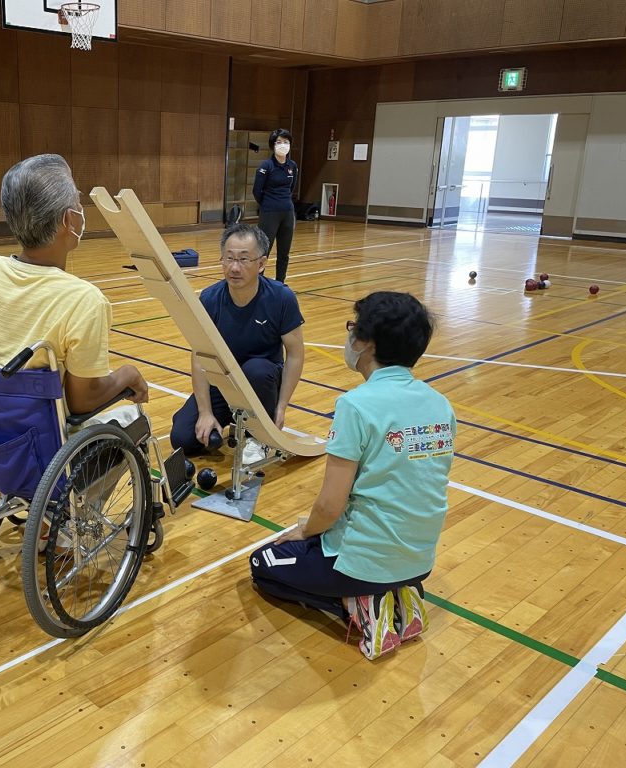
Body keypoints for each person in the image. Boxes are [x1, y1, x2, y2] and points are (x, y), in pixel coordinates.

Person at [248, 292, 456, 661]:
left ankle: (358, 603)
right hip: (420, 559)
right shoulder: (440, 403)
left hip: (363, 560)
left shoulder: (356, 405)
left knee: (263, 564)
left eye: (352, 329)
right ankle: (398, 595)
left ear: (366, 342)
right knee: (320, 548)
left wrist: (303, 531)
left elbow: (330, 506)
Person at [0, 154, 147, 415]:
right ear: (68, 220)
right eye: (78, 201)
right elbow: (81, 402)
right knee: (135, 417)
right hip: (45, 434)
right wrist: (128, 374)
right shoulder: (83, 299)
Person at [169, 223, 304, 464]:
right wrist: (205, 412)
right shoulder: (210, 298)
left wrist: (281, 407)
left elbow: (295, 354)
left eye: (243, 259)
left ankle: (257, 437)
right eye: (229, 258)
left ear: (261, 264)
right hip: (222, 382)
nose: (234, 267)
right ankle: (226, 418)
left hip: (261, 382)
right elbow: (199, 356)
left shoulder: (282, 298)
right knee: (183, 439)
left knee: (256, 369)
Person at [253, 128, 298, 284]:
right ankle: (259, 282)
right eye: (279, 142)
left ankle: (280, 283)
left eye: (286, 142)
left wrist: (283, 201)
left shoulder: (292, 166)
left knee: (284, 252)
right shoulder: (266, 165)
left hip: (287, 212)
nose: (283, 145)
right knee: (264, 250)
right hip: (269, 212)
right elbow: (256, 190)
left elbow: (292, 188)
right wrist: (268, 204)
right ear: (273, 145)